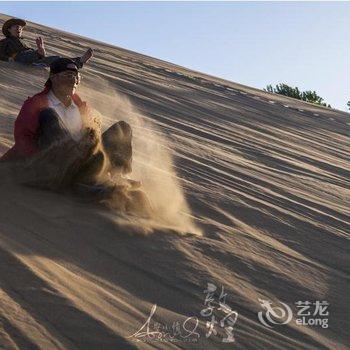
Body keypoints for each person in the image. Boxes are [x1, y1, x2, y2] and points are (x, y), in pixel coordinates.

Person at [0, 57, 152, 215]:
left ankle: (116, 177)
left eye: (76, 77)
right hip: (54, 166)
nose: (73, 81)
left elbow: (94, 135)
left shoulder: (79, 105)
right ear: (53, 77)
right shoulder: (37, 103)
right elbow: (23, 139)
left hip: (84, 162)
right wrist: (36, 163)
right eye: (68, 76)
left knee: (122, 128)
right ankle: (90, 186)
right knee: (49, 115)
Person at [0, 18, 93, 67]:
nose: (19, 29)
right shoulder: (6, 41)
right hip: (20, 58)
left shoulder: (24, 41)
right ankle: (79, 61)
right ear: (9, 29)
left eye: (20, 28)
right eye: (16, 27)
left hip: (31, 57)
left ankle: (79, 61)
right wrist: (8, 59)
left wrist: (40, 51)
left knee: (56, 59)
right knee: (53, 60)